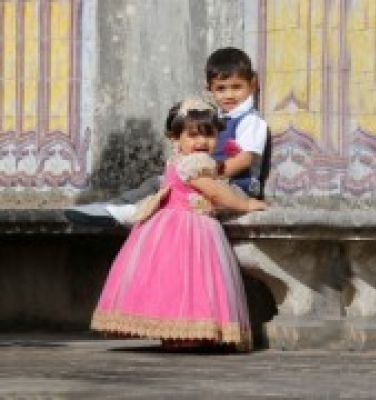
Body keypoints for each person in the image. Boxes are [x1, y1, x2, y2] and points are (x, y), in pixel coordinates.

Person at [90, 97, 267, 351]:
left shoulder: (183, 161)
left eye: (209, 135)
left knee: (178, 281)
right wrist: (246, 204)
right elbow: (215, 192)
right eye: (193, 136)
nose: (201, 142)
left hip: (176, 224)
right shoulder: (193, 164)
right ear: (175, 139)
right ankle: (184, 332)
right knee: (185, 280)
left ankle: (177, 333)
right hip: (185, 227)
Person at [65, 47, 268, 227]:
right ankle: (116, 208)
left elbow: (245, 159)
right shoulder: (215, 117)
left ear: (252, 83)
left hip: (234, 187)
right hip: (206, 181)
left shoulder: (251, 121)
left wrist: (206, 171)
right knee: (159, 181)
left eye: (236, 87)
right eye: (221, 89)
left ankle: (131, 211)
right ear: (209, 89)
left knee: (173, 188)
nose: (229, 95)